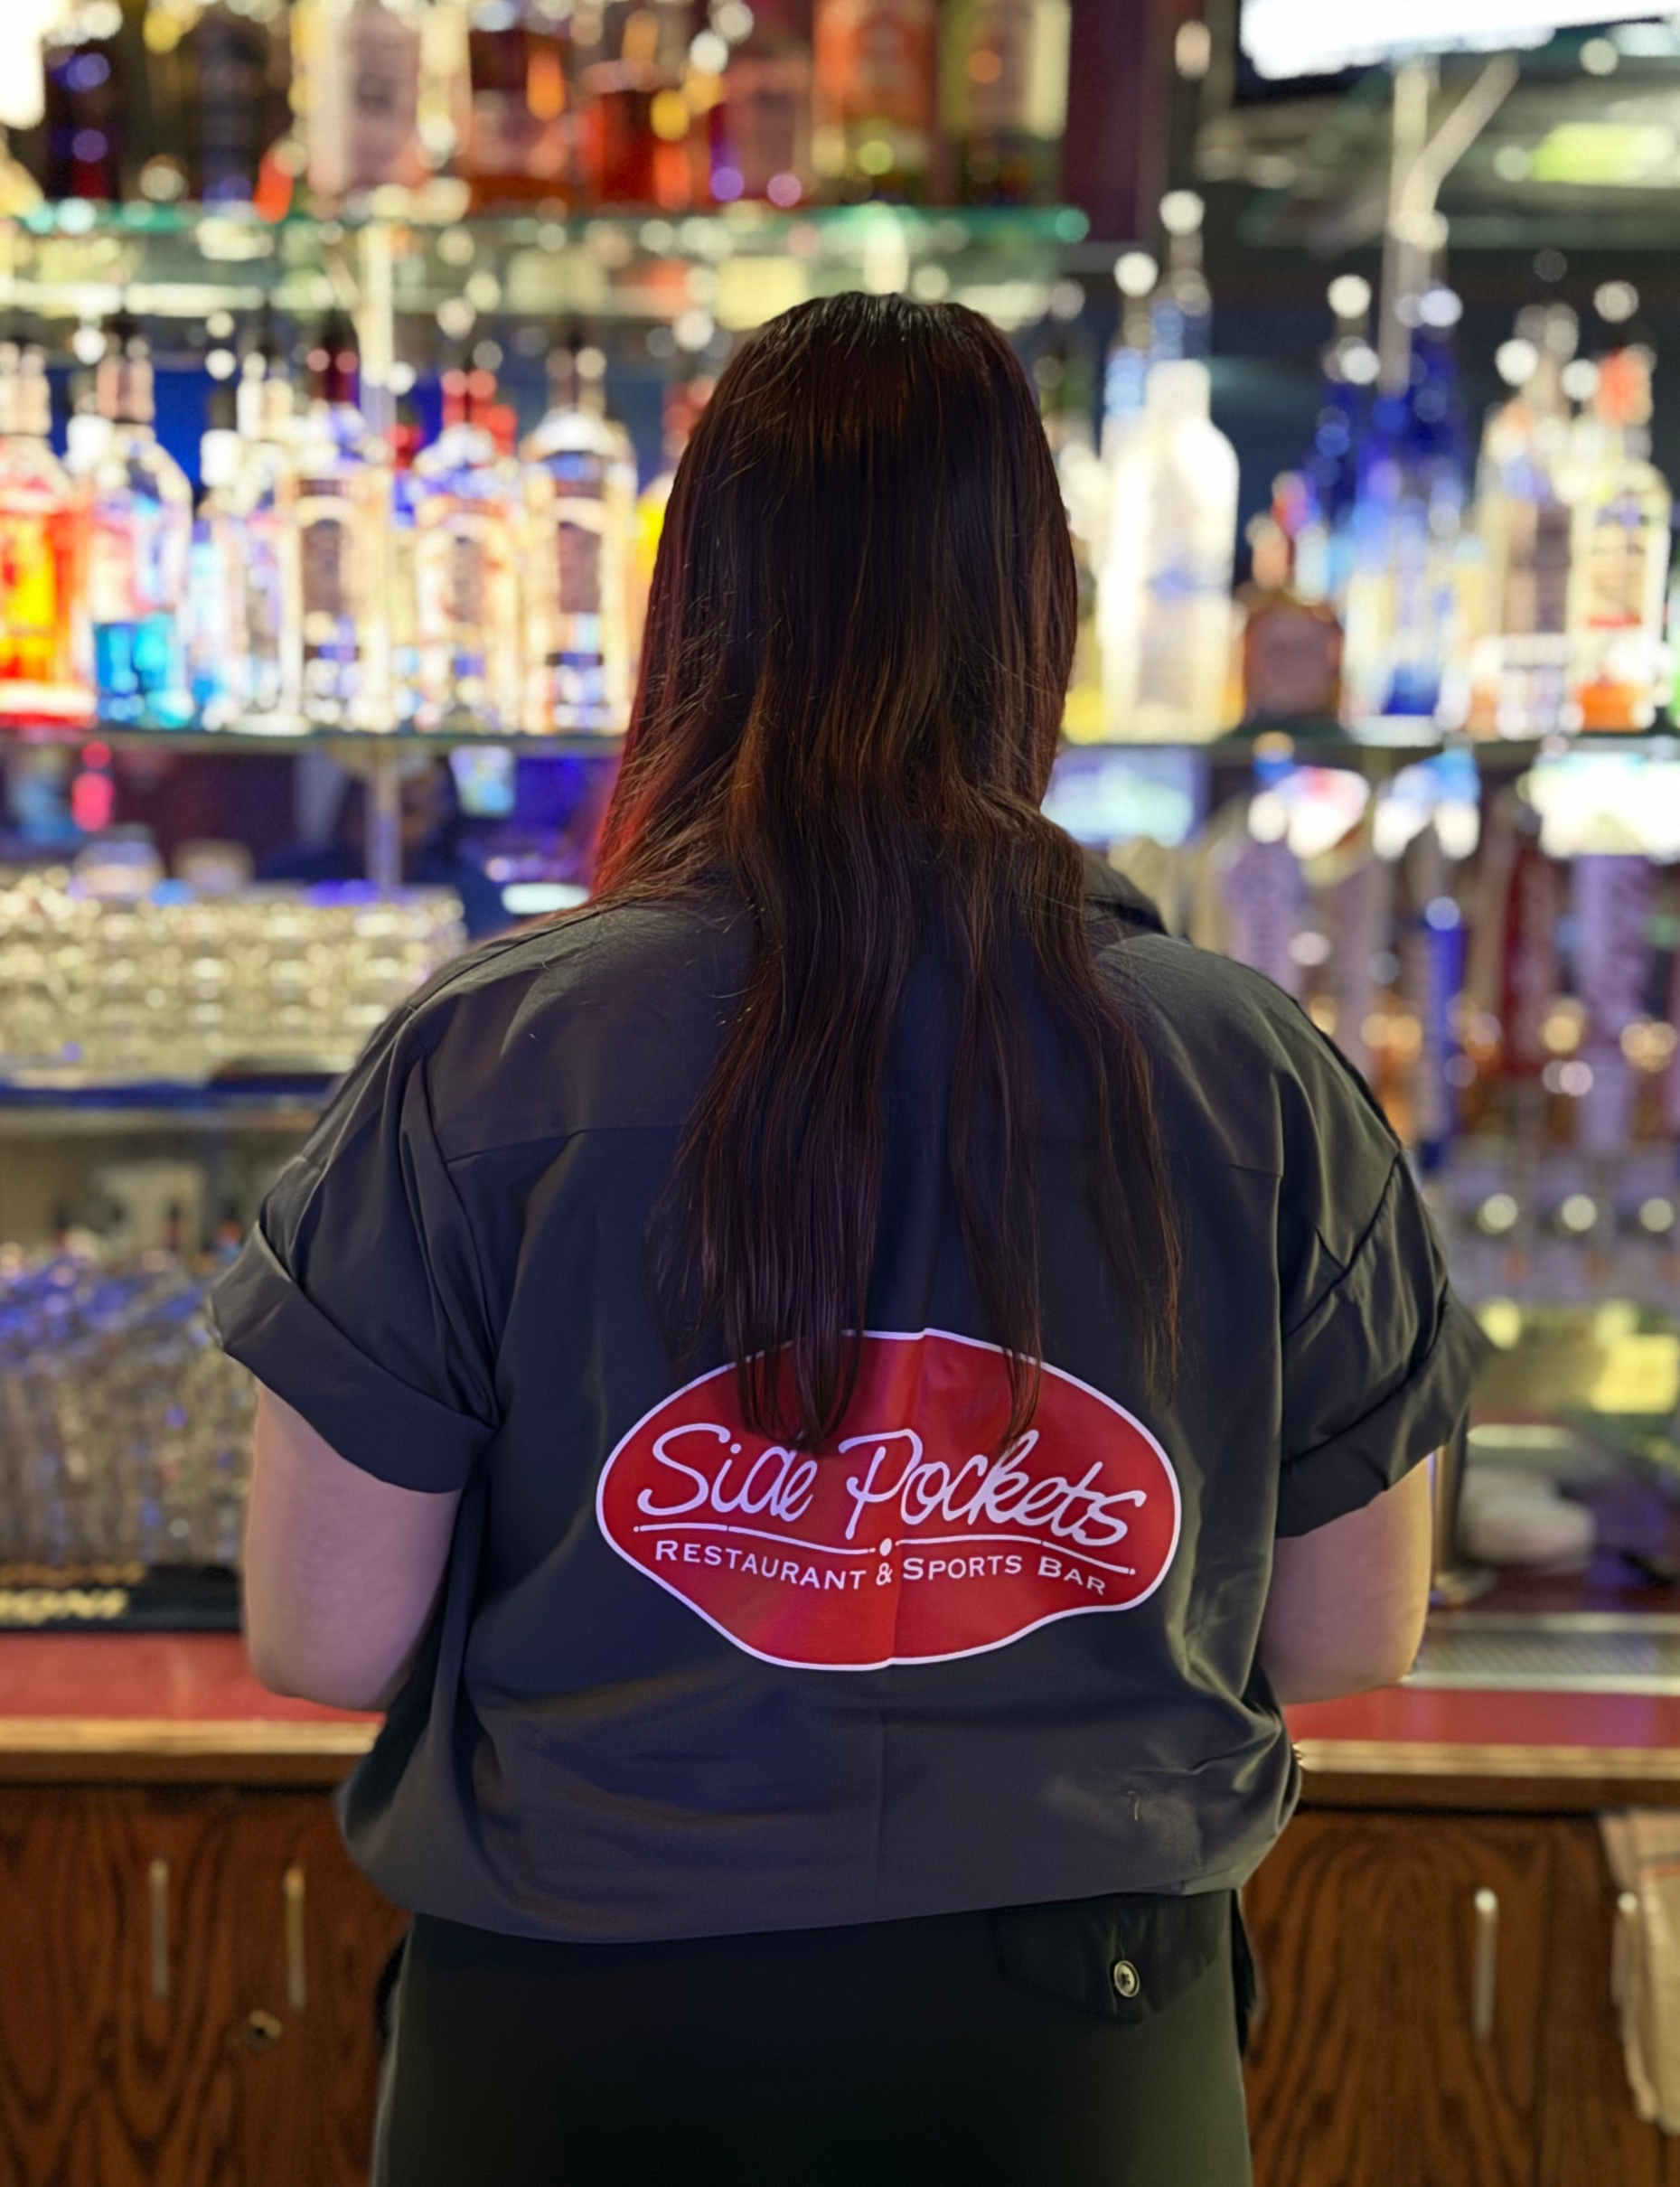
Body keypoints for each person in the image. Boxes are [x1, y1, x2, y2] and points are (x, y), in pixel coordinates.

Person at [211, 294, 1486, 2187]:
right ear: (1034, 611)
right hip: (1079, 2052)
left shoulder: (485, 1056)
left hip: (577, 2038)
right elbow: (1347, 1627)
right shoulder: (1254, 1076)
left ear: (692, 602)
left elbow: (322, 1634)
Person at [258, 757, 509, 939]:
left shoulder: (467, 887)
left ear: (438, 815)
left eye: (408, 808)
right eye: (366, 802)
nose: (382, 821)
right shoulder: (293, 874)